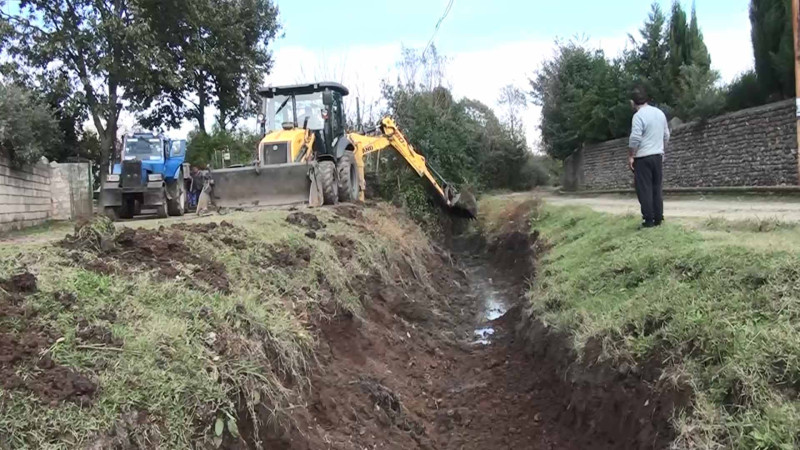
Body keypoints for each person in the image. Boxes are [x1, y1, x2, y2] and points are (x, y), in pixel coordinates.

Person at [628, 87, 670, 228]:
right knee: (656, 187)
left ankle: (648, 220)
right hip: (657, 156)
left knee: (644, 188)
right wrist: (662, 150)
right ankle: (658, 217)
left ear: (632, 102)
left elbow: (635, 138)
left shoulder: (638, 116)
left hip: (643, 157)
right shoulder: (659, 113)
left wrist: (631, 156)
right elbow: (666, 135)